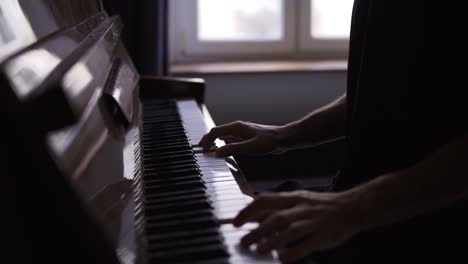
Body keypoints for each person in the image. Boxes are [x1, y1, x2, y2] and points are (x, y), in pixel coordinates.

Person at [199, 0, 467, 263]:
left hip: (423, 235)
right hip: (353, 209)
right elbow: (385, 85)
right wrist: (283, 135)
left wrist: (352, 209)